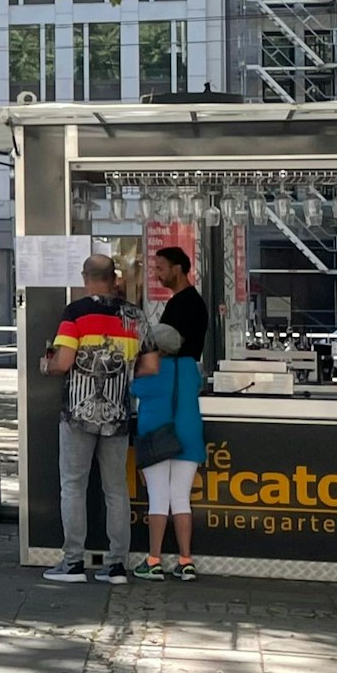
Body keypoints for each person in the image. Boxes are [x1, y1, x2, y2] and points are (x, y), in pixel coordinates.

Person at [41, 254, 147, 585]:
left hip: (78, 414)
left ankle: (73, 562)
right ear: (113, 278)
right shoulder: (135, 316)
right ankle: (117, 566)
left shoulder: (76, 313)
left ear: (86, 277)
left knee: (73, 485)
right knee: (116, 489)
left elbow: (63, 362)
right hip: (117, 414)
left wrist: (47, 365)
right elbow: (150, 366)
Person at [133, 246, 207, 582]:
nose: (157, 273)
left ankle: (153, 560)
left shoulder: (155, 369)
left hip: (157, 433)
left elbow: (135, 391)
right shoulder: (192, 369)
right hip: (189, 431)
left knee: (158, 498)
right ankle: (186, 560)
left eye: (161, 267)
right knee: (182, 499)